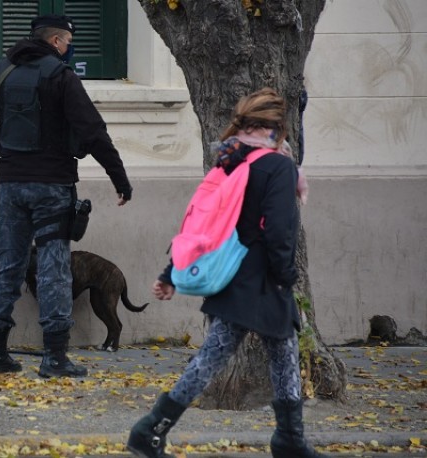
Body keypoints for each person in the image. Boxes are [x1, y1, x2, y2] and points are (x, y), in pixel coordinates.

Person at [126, 88, 326, 458]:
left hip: (233, 278)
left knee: (277, 354)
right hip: (264, 279)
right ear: (278, 129)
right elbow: (281, 230)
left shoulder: (229, 161)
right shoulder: (278, 166)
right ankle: (149, 429)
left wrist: (172, 272)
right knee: (226, 358)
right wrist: (286, 276)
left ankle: (290, 440)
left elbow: (202, 222)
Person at [0, 15, 133, 378]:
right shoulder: (61, 76)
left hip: (11, 185)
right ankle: (55, 357)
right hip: (53, 187)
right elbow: (93, 131)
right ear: (57, 42)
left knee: (8, 267)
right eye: (69, 41)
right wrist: (119, 179)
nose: (69, 48)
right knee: (54, 268)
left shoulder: (3, 72)